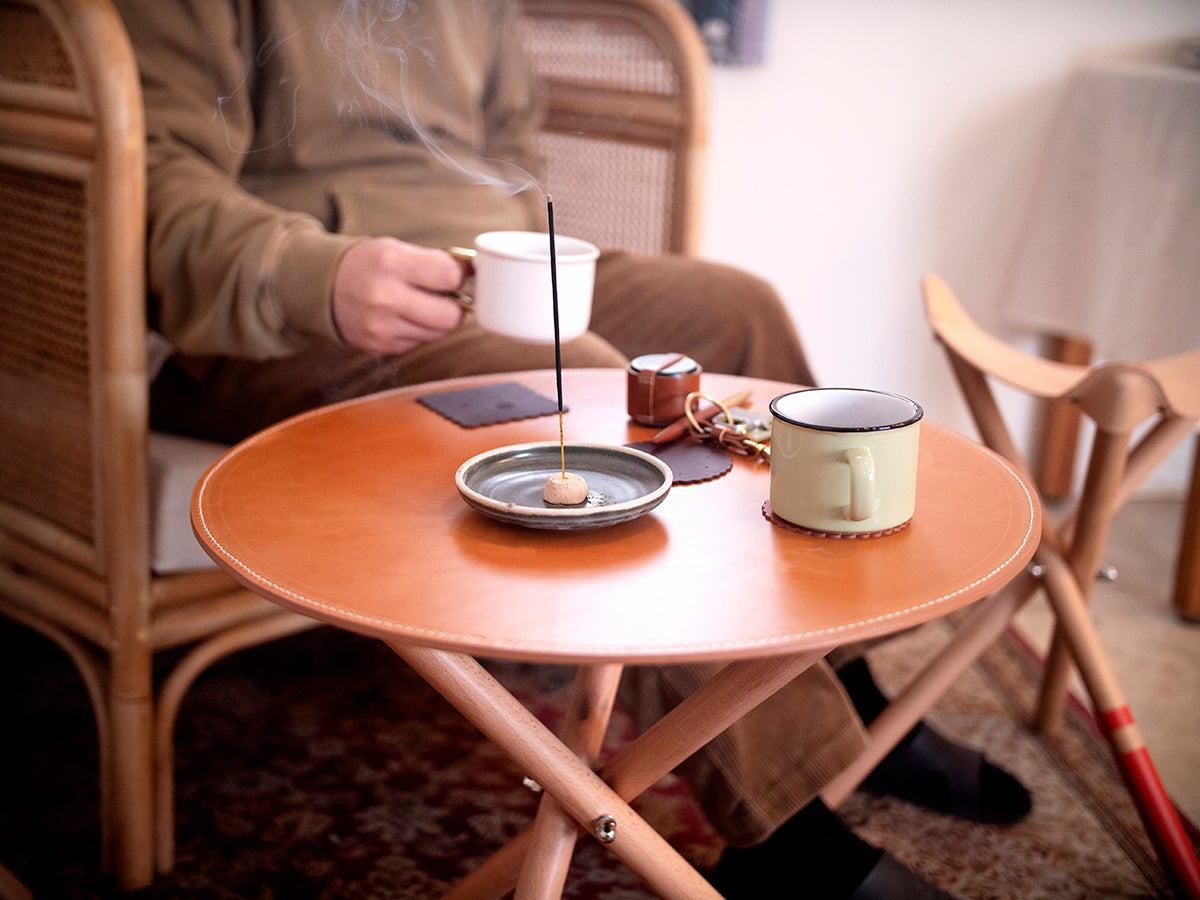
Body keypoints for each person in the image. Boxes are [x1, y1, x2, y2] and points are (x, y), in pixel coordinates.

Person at [114, 2, 1029, 897]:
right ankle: (784, 841)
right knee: (589, 395)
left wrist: (513, 257)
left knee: (734, 309)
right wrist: (315, 273)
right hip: (290, 308)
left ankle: (846, 688)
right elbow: (150, 178)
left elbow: (507, 140)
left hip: (470, 271)